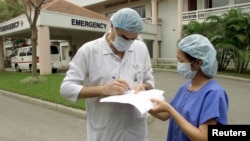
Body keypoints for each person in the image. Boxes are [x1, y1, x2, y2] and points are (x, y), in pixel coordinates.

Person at [60, 8, 155, 141]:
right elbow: (66, 88)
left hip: (135, 130)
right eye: (124, 37)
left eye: (133, 39)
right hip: (105, 132)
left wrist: (144, 87)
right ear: (112, 27)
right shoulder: (89, 51)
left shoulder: (141, 48)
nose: (128, 42)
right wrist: (102, 90)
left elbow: (150, 80)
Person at [149, 34, 229, 141]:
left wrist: (170, 110)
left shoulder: (214, 93)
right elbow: (165, 114)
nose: (179, 65)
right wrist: (141, 102)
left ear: (197, 63)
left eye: (181, 61)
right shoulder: (186, 87)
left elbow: (203, 137)